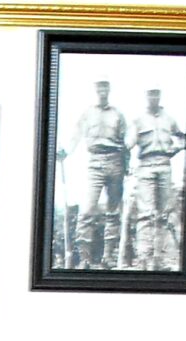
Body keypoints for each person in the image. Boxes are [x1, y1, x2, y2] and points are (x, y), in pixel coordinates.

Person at [131, 88, 186, 270]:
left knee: (165, 213)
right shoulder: (138, 120)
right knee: (145, 213)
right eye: (150, 94)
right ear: (145, 96)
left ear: (160, 96)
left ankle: (160, 259)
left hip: (164, 165)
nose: (153, 97)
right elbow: (128, 144)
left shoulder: (169, 119)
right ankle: (143, 257)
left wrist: (175, 149)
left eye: (156, 93)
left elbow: (183, 138)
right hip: (146, 167)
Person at [75, 80, 128, 266]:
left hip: (115, 162)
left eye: (105, 86)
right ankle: (84, 259)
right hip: (95, 162)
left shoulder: (118, 114)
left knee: (113, 212)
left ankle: (108, 257)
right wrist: (65, 151)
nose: (102, 90)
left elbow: (125, 142)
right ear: (96, 89)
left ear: (109, 89)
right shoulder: (88, 113)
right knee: (87, 210)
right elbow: (76, 135)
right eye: (99, 86)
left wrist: (126, 166)